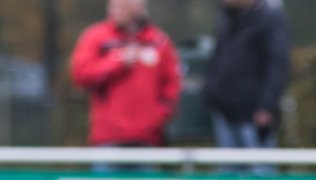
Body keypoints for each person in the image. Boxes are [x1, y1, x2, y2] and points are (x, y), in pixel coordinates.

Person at [70, 0, 181, 149]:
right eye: (113, 6)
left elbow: (172, 83)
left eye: (123, 6)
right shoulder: (97, 37)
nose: (116, 10)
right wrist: (117, 62)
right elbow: (81, 74)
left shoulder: (158, 40)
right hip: (108, 136)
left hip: (148, 137)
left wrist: (159, 115)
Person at [202, 0, 290, 158]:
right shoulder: (227, 17)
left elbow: (277, 66)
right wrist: (212, 92)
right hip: (224, 110)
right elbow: (219, 57)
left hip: (252, 113)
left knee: (259, 171)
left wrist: (267, 107)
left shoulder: (270, 18)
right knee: (228, 174)